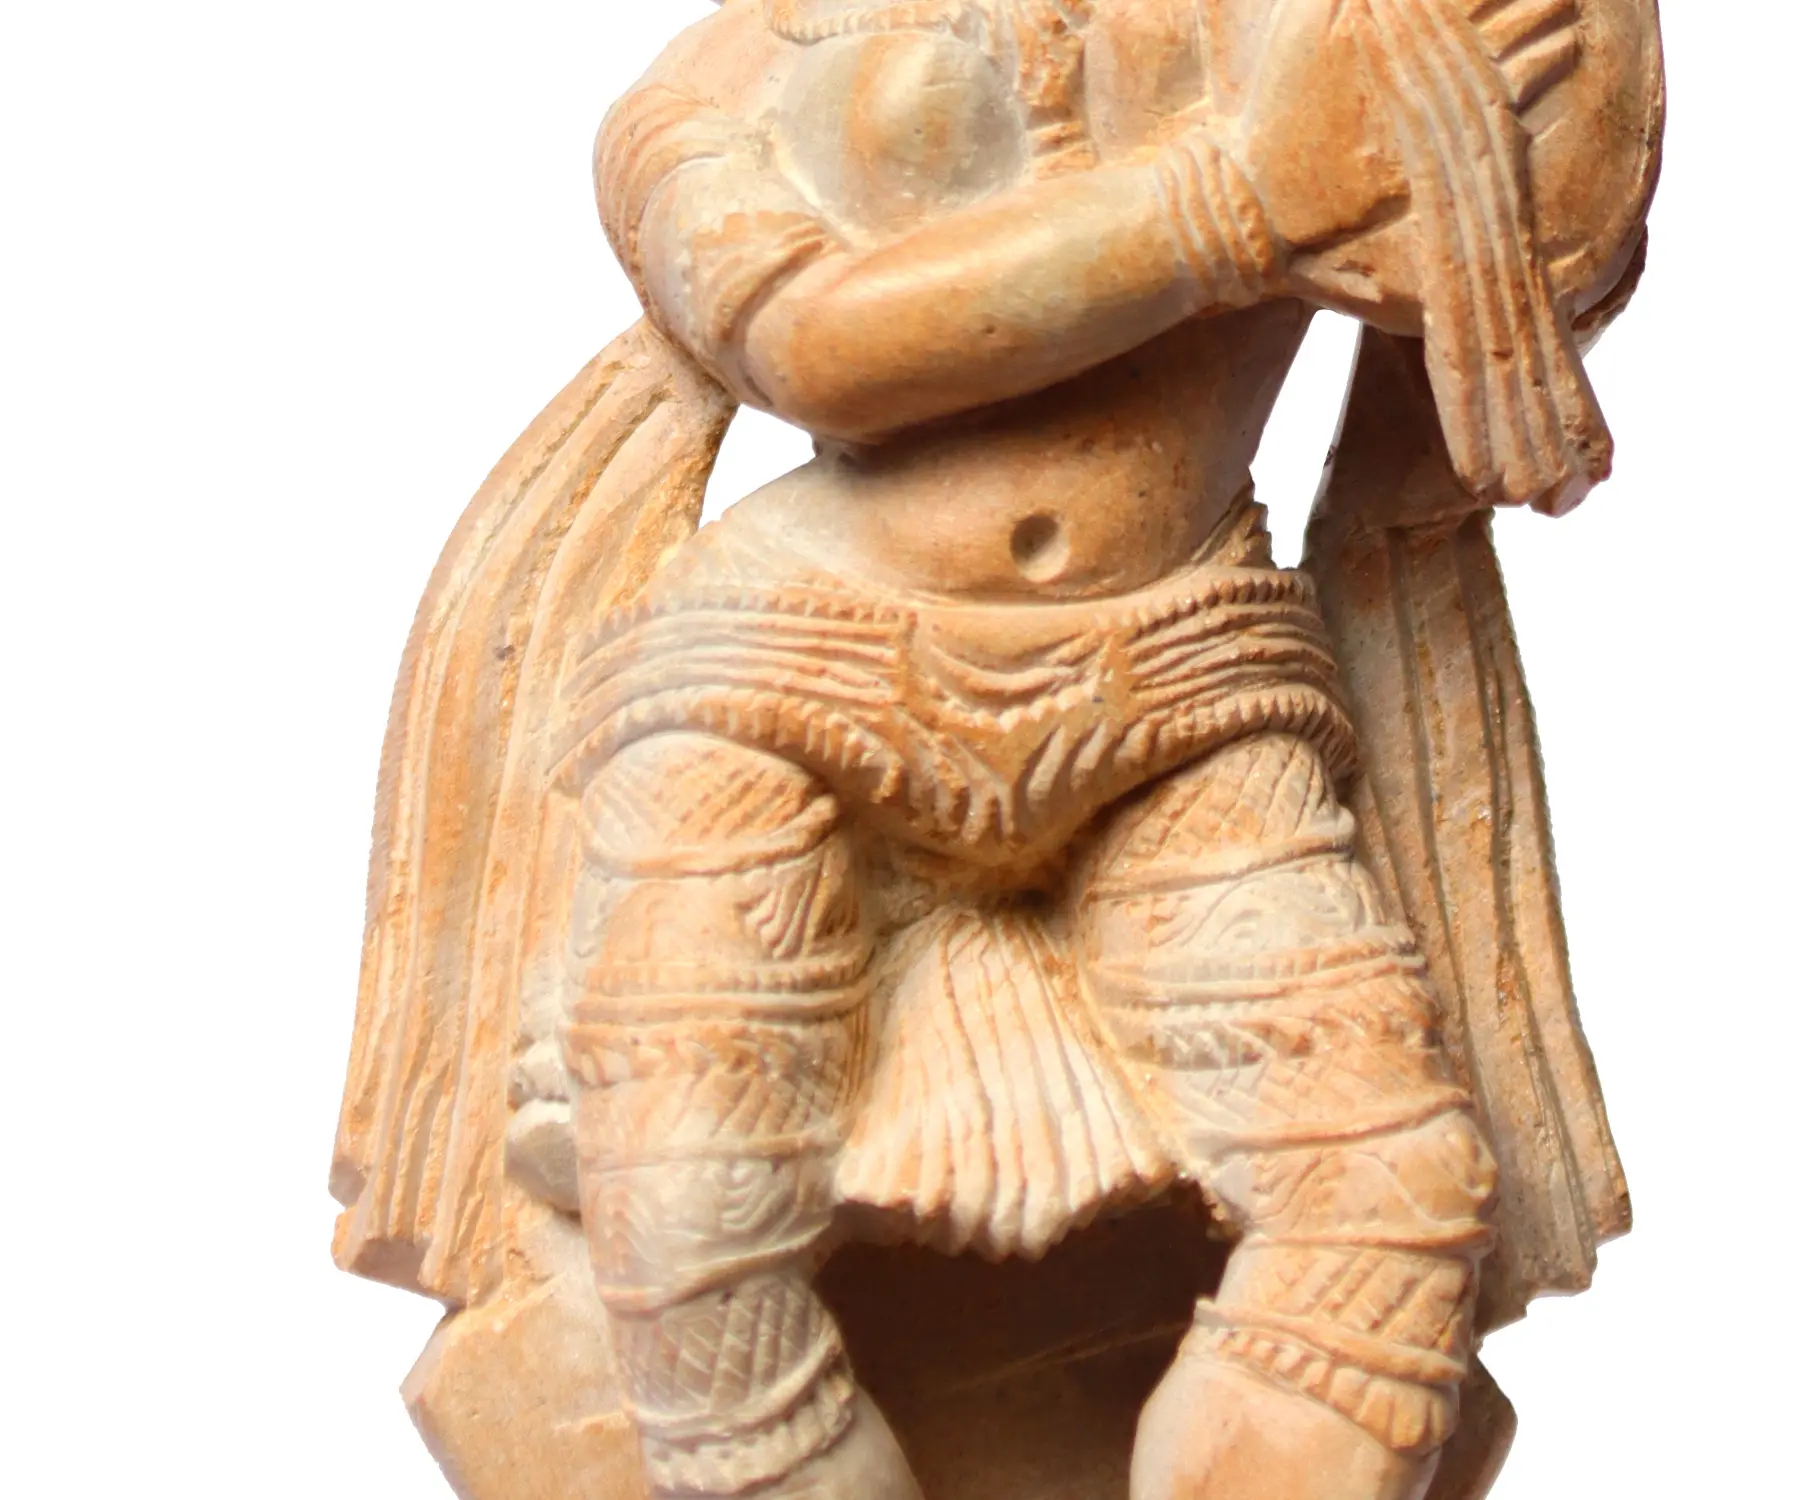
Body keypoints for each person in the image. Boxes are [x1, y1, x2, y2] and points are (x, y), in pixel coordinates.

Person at [554, 1, 1518, 1495]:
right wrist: (1239, 202)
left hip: (1176, 682)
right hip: (792, 679)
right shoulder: (717, 83)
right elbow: (810, 347)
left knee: (1394, 1190)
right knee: (683, 1216)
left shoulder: (1283, 25)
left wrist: (1508, 188)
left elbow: (1530, 239)